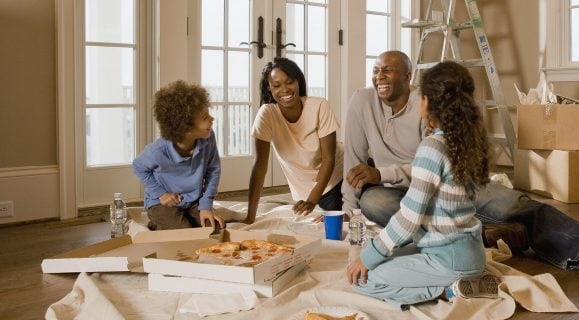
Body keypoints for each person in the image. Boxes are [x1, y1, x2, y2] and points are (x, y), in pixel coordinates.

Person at [342, 50, 579, 278]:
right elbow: (353, 164)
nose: (379, 76)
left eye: (388, 70)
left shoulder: (427, 105)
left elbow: (432, 162)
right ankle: (487, 233)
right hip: (399, 192)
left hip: (445, 183)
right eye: (376, 70)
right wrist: (346, 212)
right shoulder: (361, 102)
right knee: (374, 201)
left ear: (408, 78)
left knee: (513, 204)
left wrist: (382, 172)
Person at [346, 61, 501, 307]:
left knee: (364, 278)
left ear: (427, 102)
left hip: (447, 259)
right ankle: (464, 282)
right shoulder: (469, 142)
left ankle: (448, 292)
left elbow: (408, 219)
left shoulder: (432, 148)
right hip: (470, 252)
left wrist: (368, 257)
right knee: (386, 256)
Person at [246, 57, 343, 224]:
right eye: (276, 85)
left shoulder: (319, 105)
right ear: (269, 88)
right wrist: (249, 217)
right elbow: (260, 166)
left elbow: (329, 158)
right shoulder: (267, 114)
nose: (284, 89)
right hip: (307, 192)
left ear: (298, 81)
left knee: (357, 212)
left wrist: (312, 201)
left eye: (289, 82)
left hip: (339, 176)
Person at [132, 80, 225, 230]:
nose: (212, 119)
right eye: (205, 117)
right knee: (184, 231)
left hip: (193, 201)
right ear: (185, 127)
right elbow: (138, 166)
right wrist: (161, 194)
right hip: (161, 204)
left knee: (215, 227)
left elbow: (213, 170)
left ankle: (177, 220)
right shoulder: (158, 150)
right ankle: (159, 222)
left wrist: (206, 205)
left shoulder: (208, 137)